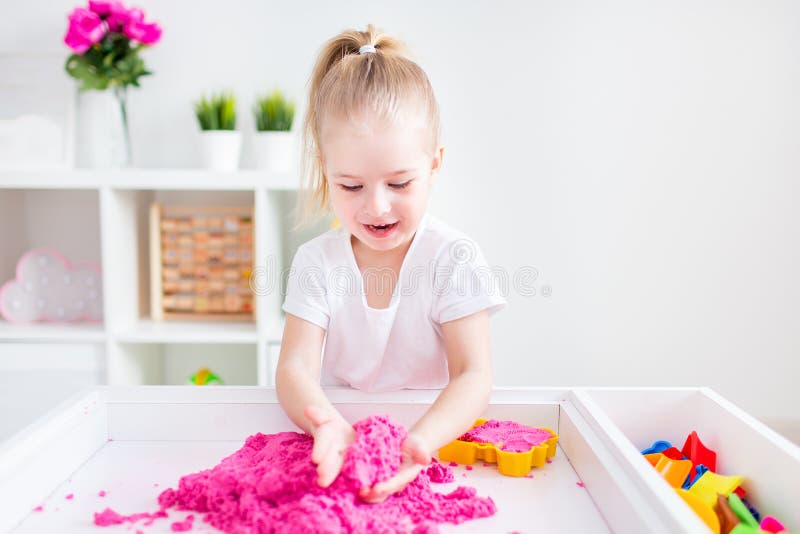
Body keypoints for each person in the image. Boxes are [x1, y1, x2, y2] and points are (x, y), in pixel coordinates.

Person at [276, 24, 506, 503]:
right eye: (351, 187)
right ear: (325, 171)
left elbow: (473, 375)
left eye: (399, 184)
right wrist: (326, 423)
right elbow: (294, 370)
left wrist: (420, 441)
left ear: (434, 165)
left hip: (433, 445)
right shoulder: (316, 261)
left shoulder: (452, 258)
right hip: (339, 449)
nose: (376, 207)